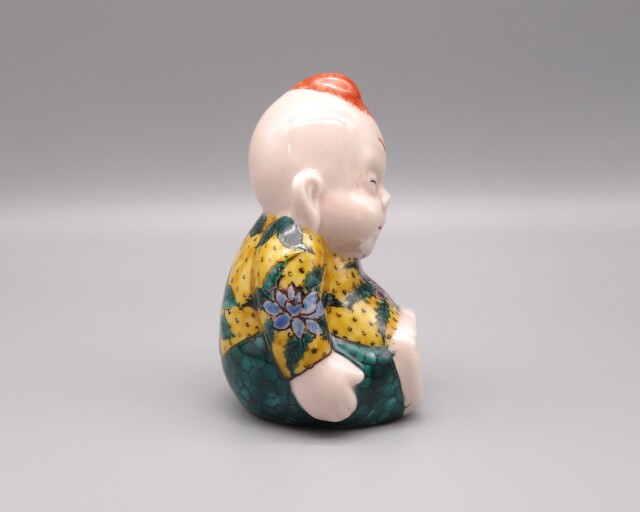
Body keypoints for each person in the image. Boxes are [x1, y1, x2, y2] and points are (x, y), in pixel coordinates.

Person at [220, 73, 422, 426]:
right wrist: (314, 374)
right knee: (382, 375)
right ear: (311, 196)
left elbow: (346, 294)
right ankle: (402, 382)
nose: (386, 197)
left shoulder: (329, 244)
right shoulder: (290, 247)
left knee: (383, 337)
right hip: (259, 353)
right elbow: (291, 324)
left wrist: (386, 320)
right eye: (371, 183)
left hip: (303, 337)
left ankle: (395, 345)